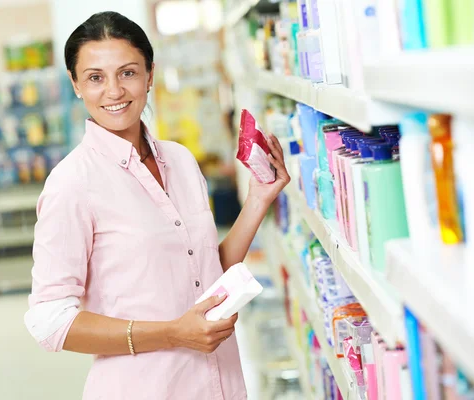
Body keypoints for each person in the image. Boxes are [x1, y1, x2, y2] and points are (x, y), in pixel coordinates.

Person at [24, 11, 290, 400]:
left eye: (128, 72)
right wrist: (172, 333)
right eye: (96, 77)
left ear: (150, 74)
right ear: (76, 84)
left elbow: (204, 272)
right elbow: (49, 321)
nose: (114, 91)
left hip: (219, 382)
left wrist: (258, 199)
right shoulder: (72, 184)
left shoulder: (180, 161)